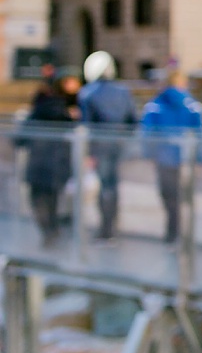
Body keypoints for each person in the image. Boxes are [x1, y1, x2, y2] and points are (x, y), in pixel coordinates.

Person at [78, 51, 137, 240]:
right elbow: (133, 121)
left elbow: (87, 125)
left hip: (100, 147)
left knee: (105, 186)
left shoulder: (88, 93)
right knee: (113, 185)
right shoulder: (123, 91)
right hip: (119, 145)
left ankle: (106, 230)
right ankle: (113, 227)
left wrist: (88, 152)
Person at [140, 69, 202, 242]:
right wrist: (199, 159)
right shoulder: (192, 105)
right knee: (183, 196)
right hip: (185, 158)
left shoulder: (155, 105)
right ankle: (182, 233)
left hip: (164, 157)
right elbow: (199, 134)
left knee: (169, 195)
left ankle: (173, 232)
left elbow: (148, 133)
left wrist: (149, 155)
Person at [20, 77, 76, 246]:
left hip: (38, 163)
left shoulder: (35, 114)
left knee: (38, 200)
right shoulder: (64, 114)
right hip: (58, 164)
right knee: (52, 199)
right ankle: (53, 230)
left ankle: (48, 232)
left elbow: (20, 139)